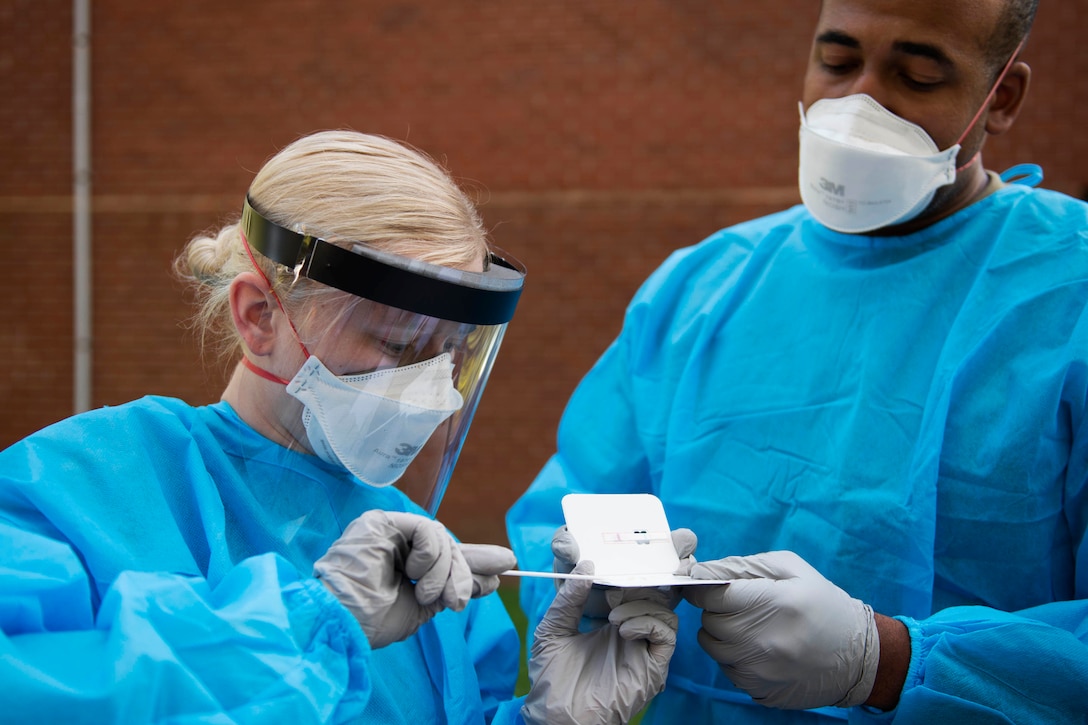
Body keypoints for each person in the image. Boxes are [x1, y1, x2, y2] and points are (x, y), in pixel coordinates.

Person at [507, 0, 1088, 722]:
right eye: (838, 62)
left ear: (999, 98)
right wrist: (584, 581)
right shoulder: (702, 288)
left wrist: (890, 662)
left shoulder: (1068, 297)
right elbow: (578, 497)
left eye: (914, 76)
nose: (857, 103)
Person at [0, 130, 679, 724]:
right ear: (260, 315)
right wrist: (302, 627)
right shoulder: (82, 488)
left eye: (453, 354)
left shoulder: (427, 570)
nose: (432, 386)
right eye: (400, 344)